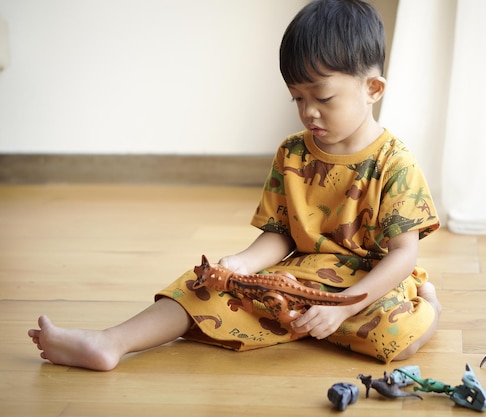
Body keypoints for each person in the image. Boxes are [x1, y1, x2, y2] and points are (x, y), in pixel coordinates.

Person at [28, 0, 441, 371]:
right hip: (299, 279)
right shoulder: (293, 152)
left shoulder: (395, 162)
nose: (308, 111)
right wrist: (243, 264)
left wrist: (345, 306)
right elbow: (279, 235)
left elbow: (403, 254)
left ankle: (430, 305)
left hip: (366, 285)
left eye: (322, 97)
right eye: (296, 98)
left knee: (394, 335)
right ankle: (110, 342)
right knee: (203, 287)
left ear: (373, 89)